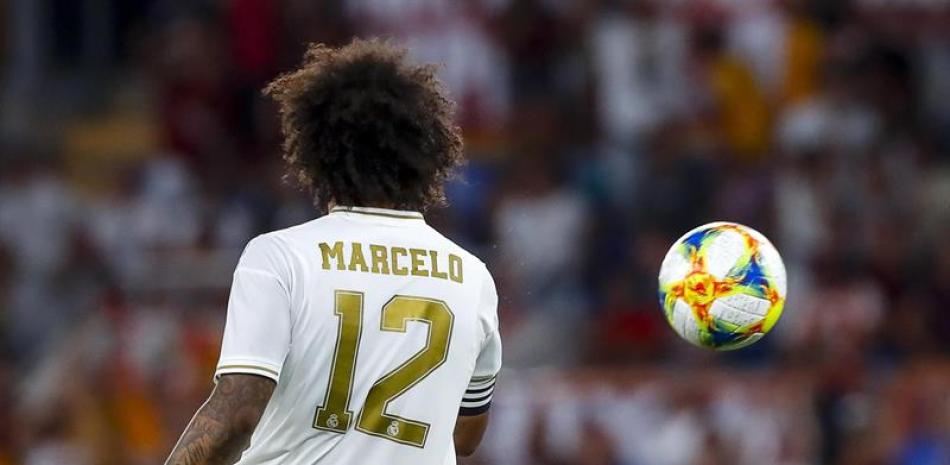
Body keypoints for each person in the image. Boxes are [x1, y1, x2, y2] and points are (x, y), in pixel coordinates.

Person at [164, 39, 501, 465]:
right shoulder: (474, 277)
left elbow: (239, 413)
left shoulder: (279, 257)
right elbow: (466, 433)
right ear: (426, 152)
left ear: (317, 152)